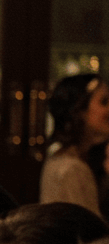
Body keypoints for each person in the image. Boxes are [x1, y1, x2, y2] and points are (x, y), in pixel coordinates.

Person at [40, 73, 109, 215]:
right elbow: (91, 232)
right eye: (104, 102)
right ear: (79, 110)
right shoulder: (71, 169)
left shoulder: (82, 159)